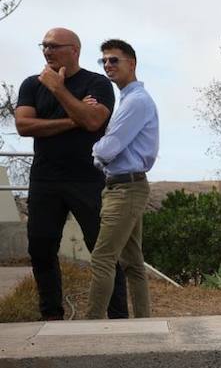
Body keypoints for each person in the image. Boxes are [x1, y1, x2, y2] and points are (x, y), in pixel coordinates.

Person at [14, 27, 127, 320]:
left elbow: (92, 121)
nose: (47, 50)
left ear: (74, 50)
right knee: (41, 248)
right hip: (44, 179)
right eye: (44, 45)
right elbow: (24, 126)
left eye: (54, 46)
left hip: (87, 178)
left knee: (102, 250)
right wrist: (73, 118)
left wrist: (58, 89)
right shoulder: (31, 84)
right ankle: (51, 317)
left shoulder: (97, 83)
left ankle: (118, 319)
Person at [87, 39, 159, 320]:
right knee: (132, 262)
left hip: (126, 189)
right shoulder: (129, 100)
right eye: (103, 61)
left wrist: (97, 151)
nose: (107, 66)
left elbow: (109, 147)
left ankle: (88, 326)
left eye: (114, 60)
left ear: (132, 63)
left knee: (102, 258)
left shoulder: (136, 102)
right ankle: (144, 322)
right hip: (126, 185)